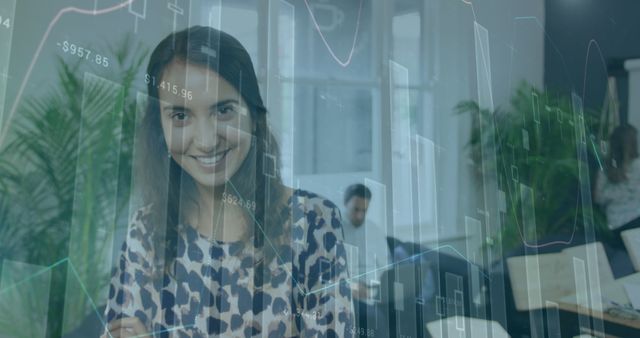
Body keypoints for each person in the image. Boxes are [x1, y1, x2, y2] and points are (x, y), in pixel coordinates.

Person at [101, 26, 353, 337]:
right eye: (180, 116)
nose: (206, 141)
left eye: (223, 110)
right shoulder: (146, 231)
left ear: (253, 113)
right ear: (159, 127)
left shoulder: (313, 222)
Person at [341, 184, 390, 337]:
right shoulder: (332, 230)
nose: (360, 216)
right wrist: (351, 286)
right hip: (347, 292)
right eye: (356, 209)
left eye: (364, 210)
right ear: (345, 203)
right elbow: (326, 272)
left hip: (374, 290)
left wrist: (373, 290)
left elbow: (385, 268)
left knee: (413, 308)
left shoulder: (375, 231)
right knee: (374, 319)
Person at [595, 124, 640, 244]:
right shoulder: (607, 169)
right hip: (632, 223)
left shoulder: (605, 168)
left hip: (616, 225)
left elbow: (599, 198)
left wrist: (615, 194)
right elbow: (598, 198)